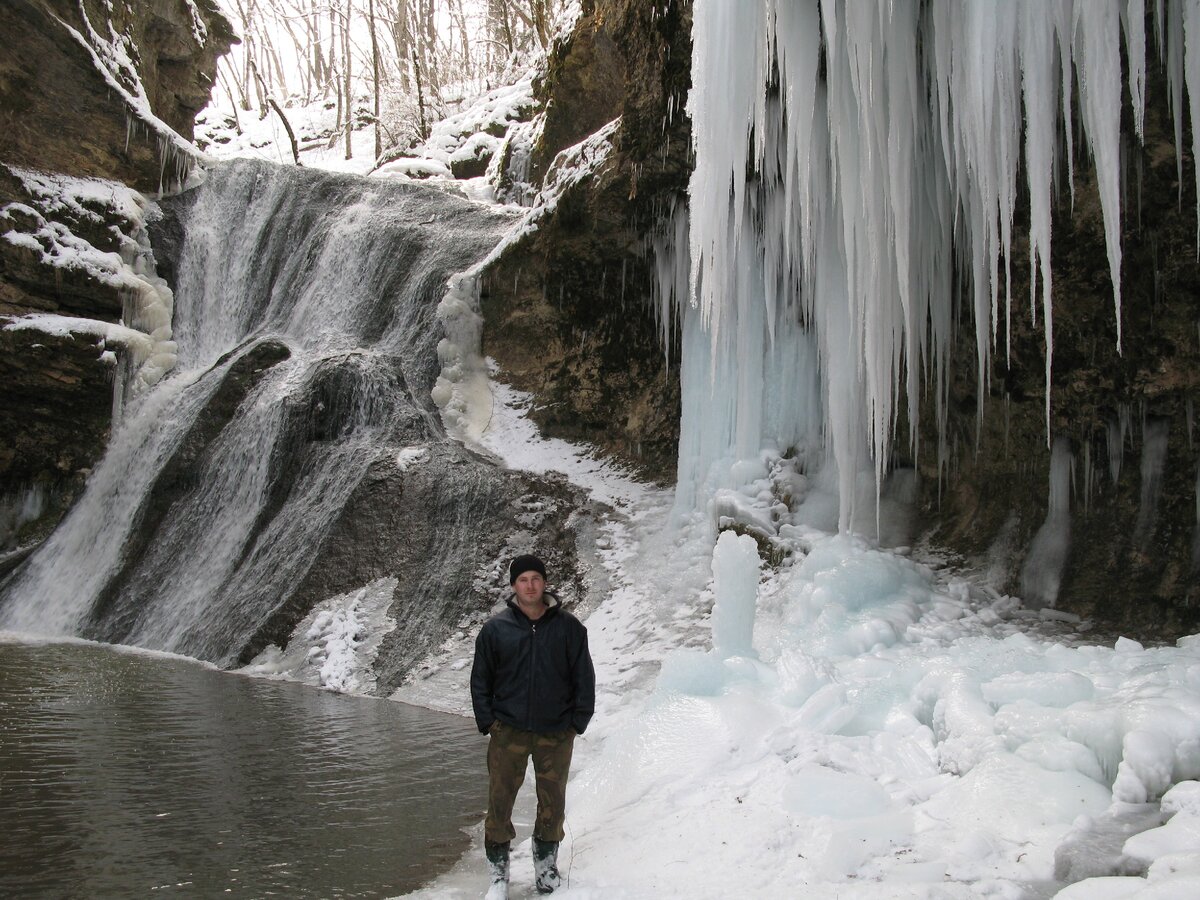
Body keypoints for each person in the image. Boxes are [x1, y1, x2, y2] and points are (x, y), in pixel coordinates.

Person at [470, 554, 596, 898]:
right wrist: (489, 723)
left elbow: (583, 677)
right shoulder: (496, 629)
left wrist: (577, 723)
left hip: (556, 732)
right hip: (507, 730)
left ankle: (546, 871)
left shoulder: (569, 627)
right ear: (514, 586)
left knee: (552, 802)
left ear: (544, 583)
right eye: (523, 580)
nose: (530, 585)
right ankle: (498, 877)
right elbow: (480, 679)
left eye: (536, 579)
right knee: (499, 802)